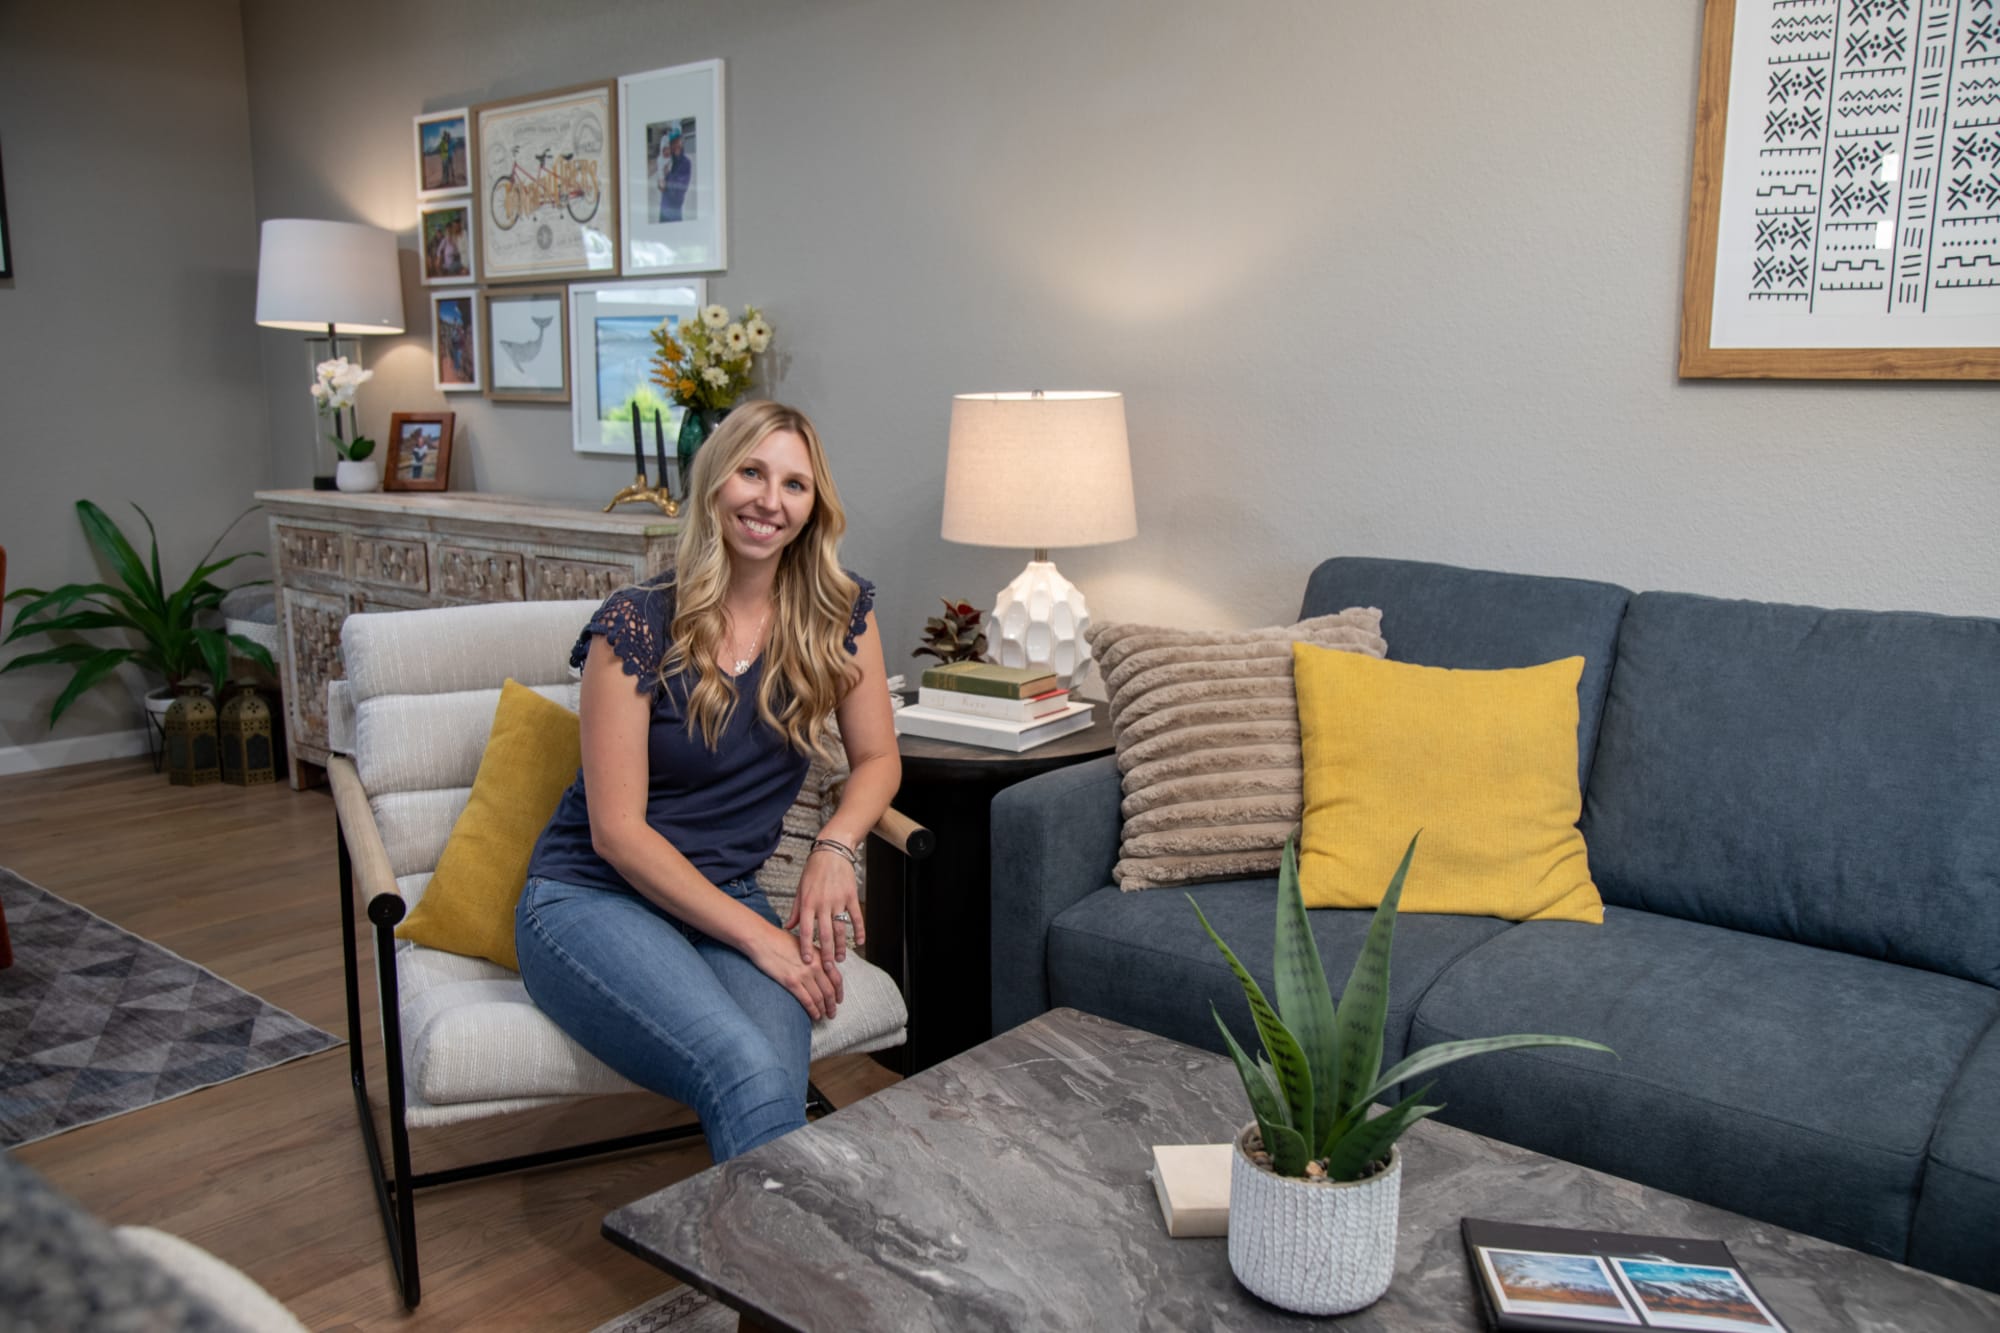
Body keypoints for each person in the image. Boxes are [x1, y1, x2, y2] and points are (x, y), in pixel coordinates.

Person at [516, 400, 899, 1162]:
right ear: (715, 482)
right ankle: (799, 1273)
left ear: (814, 504)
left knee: (775, 1074)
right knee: (746, 1066)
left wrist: (834, 846)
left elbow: (879, 760)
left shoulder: (840, 613)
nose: (769, 500)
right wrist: (764, 938)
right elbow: (616, 832)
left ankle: (758, 1270)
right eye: (751, 472)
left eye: (794, 484)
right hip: (591, 898)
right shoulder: (635, 623)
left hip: (727, 893)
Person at [655, 123, 692, 222]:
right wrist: (659, 184)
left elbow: (679, 191)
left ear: (681, 141)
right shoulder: (668, 160)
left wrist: (668, 176)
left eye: (677, 141)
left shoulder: (686, 163)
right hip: (663, 210)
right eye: (672, 142)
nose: (675, 145)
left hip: (675, 214)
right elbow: (661, 182)